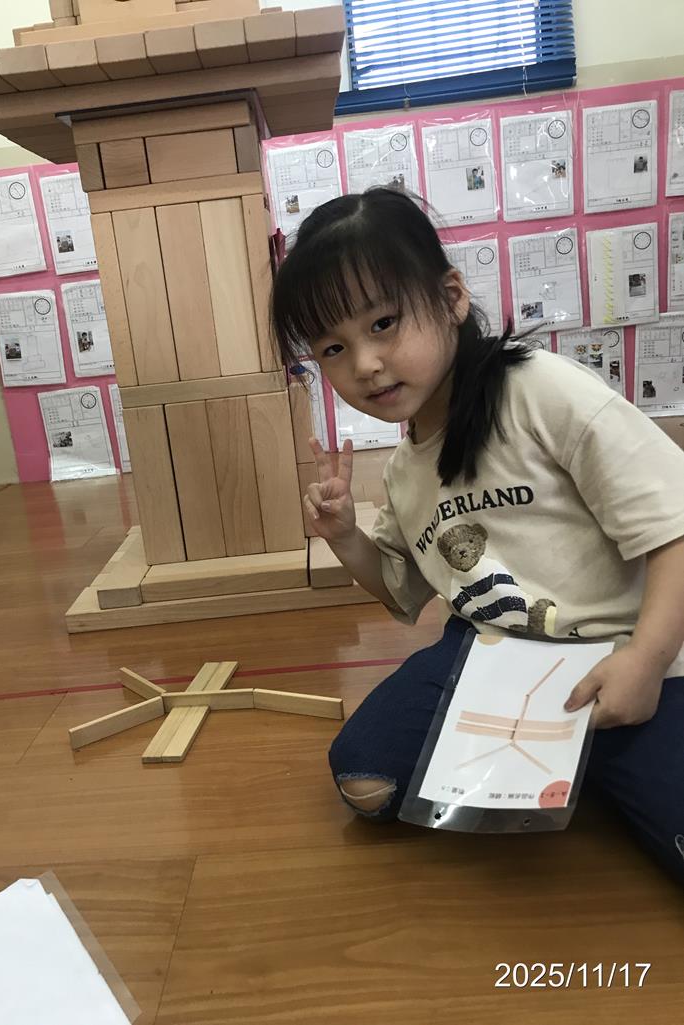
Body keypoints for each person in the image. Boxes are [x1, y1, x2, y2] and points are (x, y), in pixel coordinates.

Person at [269, 187, 684, 884]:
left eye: (384, 323)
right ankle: (571, 753)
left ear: (451, 297)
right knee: (366, 782)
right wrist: (344, 536)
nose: (364, 363)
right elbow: (400, 591)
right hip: (493, 655)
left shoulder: (540, 391)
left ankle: (583, 750)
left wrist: (645, 659)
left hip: (626, 650)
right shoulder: (403, 470)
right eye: (333, 347)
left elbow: (673, 524)